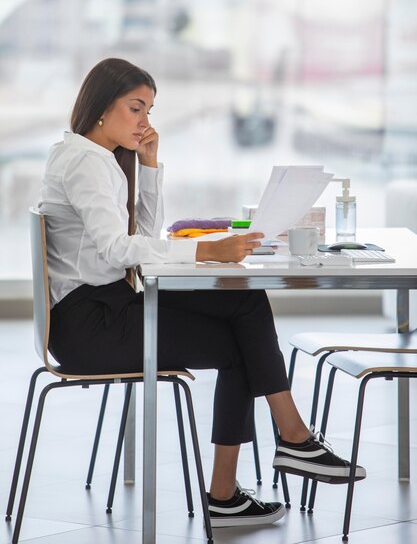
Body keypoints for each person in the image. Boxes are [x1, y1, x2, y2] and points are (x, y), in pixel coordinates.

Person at [38, 57, 366, 529]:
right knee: (241, 339)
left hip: (104, 307)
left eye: (149, 110)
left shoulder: (91, 157)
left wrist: (148, 168)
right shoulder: (86, 163)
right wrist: (208, 251)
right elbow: (117, 250)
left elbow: (140, 240)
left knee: (244, 299)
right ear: (100, 109)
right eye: (136, 109)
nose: (146, 122)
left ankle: (283, 448)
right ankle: (263, 464)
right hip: (92, 325)